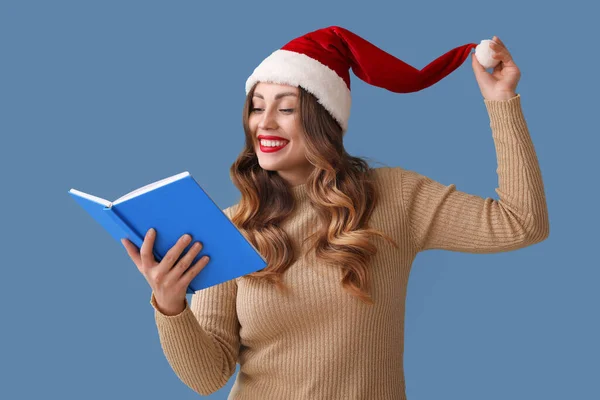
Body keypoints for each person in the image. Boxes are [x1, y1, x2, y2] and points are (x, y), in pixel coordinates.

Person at [121, 26, 549, 399]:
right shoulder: (230, 226)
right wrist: (170, 304)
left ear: (323, 118)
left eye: (285, 108)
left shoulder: (393, 197)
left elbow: (522, 223)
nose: (264, 123)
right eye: (257, 106)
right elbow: (206, 377)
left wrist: (501, 102)